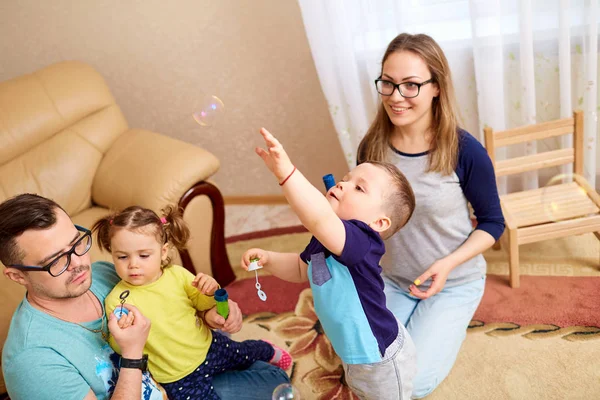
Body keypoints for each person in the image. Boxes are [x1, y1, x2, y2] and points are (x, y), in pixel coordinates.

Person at [0, 193, 290, 400]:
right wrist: (132, 355)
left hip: (182, 370)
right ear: (17, 275)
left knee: (271, 377)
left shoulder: (103, 274)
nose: (77, 263)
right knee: (269, 382)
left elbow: (173, 300)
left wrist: (215, 311)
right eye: (55, 261)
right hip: (170, 385)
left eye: (76, 243)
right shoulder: (32, 361)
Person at [357, 33, 505, 398]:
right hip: (391, 278)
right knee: (364, 367)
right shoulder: (371, 147)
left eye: (411, 85)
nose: (395, 96)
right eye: (388, 83)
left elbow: (493, 223)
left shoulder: (465, 150)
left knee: (413, 381)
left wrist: (447, 264)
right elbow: (363, 219)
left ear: (436, 87)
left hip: (453, 282)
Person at [241, 128, 417, 400]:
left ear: (378, 223)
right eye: (346, 179)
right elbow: (303, 269)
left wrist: (285, 174)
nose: (343, 185)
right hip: (349, 350)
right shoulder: (325, 240)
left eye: (359, 188)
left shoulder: (362, 241)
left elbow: (319, 218)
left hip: (379, 358)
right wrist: (269, 259)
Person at [93, 205, 292, 400]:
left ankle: (266, 349)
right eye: (122, 257)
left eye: (144, 255)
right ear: (112, 254)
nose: (133, 264)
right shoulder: (117, 301)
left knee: (242, 354)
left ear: (163, 252)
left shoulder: (178, 275)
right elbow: (122, 348)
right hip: (176, 378)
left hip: (209, 346)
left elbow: (203, 304)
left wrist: (211, 291)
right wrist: (122, 335)